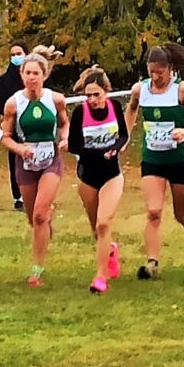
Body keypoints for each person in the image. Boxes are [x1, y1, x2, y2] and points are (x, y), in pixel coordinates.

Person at [124, 43, 184, 280]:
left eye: (160, 72)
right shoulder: (140, 89)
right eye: (152, 71)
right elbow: (131, 111)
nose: (156, 76)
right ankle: (152, 262)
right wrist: (125, 136)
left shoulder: (182, 90)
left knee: (182, 214)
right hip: (153, 158)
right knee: (153, 211)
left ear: (170, 68)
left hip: (180, 159)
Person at [0, 49, 69, 287]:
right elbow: (5, 136)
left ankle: (36, 271)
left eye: (35, 73)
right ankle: (45, 226)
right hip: (26, 163)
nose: (31, 77)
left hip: (51, 160)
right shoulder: (13, 104)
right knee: (34, 218)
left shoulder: (56, 99)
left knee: (40, 214)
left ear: (44, 75)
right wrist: (20, 150)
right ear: (21, 75)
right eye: (27, 73)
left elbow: (64, 123)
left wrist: (65, 138)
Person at [67, 66, 127, 294]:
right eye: (88, 95)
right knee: (97, 230)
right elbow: (74, 145)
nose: (92, 100)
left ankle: (100, 277)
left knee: (104, 223)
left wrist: (114, 148)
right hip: (87, 176)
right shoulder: (80, 113)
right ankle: (110, 249)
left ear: (106, 92)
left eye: (96, 95)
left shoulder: (115, 107)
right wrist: (96, 153)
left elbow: (122, 135)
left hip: (112, 174)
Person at [0, 42, 28, 210]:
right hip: (12, 125)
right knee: (15, 160)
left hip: (32, 124)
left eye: (18, 53)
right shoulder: (4, 80)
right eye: (12, 54)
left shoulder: (31, 76)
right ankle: (18, 196)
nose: (16, 57)